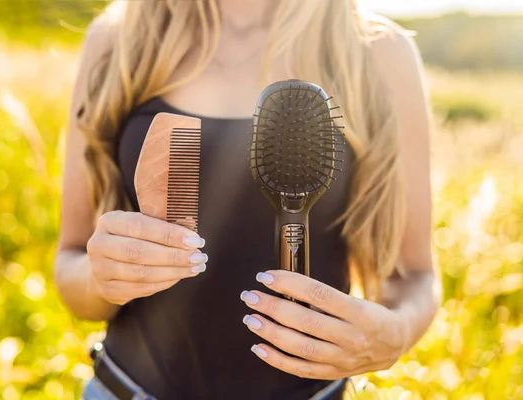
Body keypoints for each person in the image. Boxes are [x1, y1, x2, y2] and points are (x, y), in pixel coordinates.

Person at [54, 0, 440, 399]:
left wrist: (397, 333)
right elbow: (70, 262)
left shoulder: (376, 50)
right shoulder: (119, 39)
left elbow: (416, 276)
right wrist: (102, 279)